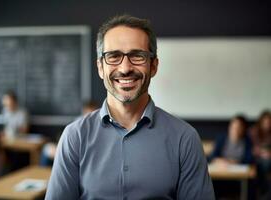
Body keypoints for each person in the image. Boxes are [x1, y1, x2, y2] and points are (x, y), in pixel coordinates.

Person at [45, 14, 214, 200]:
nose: (125, 68)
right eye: (114, 56)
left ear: (154, 66)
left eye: (137, 56)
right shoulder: (74, 137)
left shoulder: (185, 139)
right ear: (100, 68)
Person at [40, 101, 99, 166]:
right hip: (68, 147)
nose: (89, 114)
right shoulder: (77, 122)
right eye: (87, 112)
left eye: (91, 112)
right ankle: (43, 172)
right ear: (84, 111)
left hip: (81, 152)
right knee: (48, 148)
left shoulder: (98, 125)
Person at [250, 110, 271, 197]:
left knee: (267, 162)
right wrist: (262, 153)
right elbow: (251, 149)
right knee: (263, 164)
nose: (267, 124)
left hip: (268, 159)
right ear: (261, 122)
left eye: (269, 122)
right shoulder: (253, 131)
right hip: (255, 158)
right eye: (265, 122)